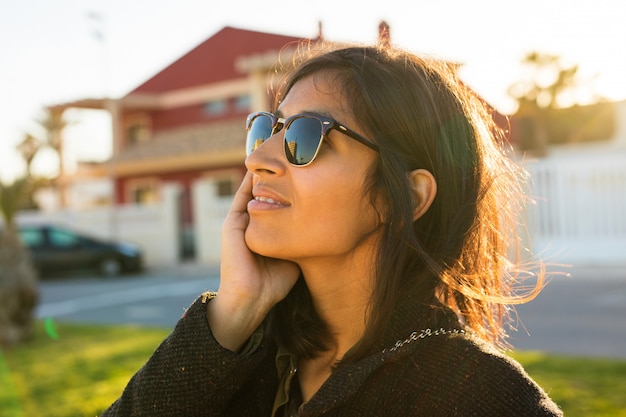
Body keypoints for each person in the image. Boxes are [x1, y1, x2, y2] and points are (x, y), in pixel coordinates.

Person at [101, 42, 563, 416]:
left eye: (306, 136)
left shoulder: (482, 398)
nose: (258, 159)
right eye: (266, 129)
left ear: (407, 197)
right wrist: (235, 309)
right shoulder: (244, 353)